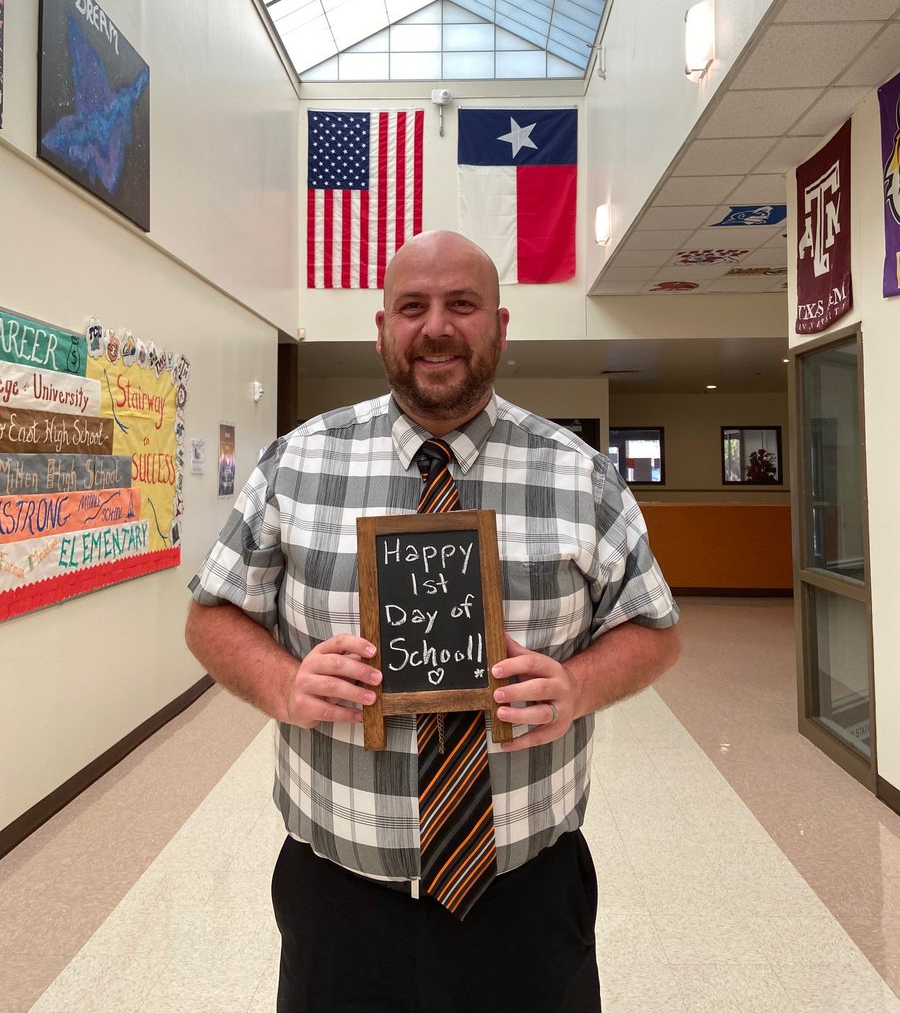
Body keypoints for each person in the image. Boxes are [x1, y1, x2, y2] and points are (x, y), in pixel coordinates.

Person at [186, 230, 681, 1013]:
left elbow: (655, 628)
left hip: (524, 894)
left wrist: (576, 686)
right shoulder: (297, 464)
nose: (436, 327)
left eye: (462, 304)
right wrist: (285, 684)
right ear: (382, 328)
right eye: (412, 306)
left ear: (501, 325)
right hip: (338, 897)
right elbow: (211, 617)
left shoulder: (579, 474)